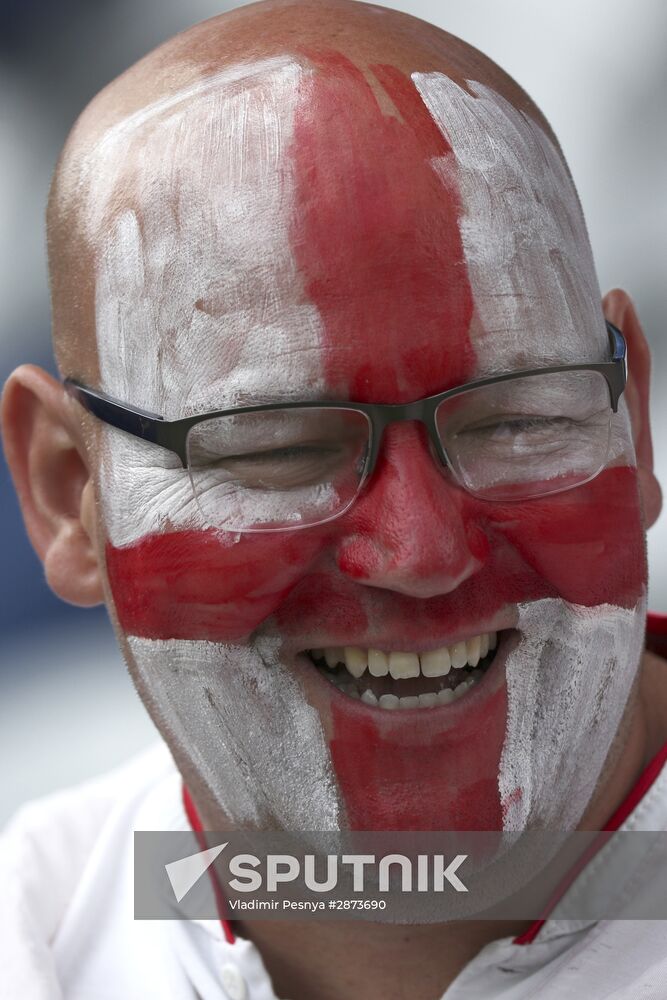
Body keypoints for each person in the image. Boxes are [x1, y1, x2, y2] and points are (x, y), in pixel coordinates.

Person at [2, 0, 666, 996]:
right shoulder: (36, 935)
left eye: (509, 419)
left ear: (634, 422)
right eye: (282, 445)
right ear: (68, 492)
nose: (421, 548)